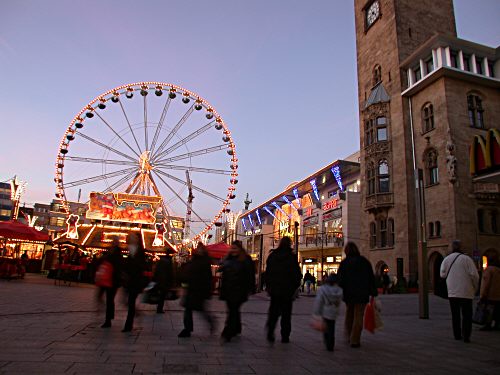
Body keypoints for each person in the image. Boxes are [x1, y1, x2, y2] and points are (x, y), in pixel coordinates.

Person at [337, 242, 377, 348]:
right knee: (358, 315)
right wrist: (373, 291)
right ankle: (355, 339)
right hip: (362, 293)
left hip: (349, 293)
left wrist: (339, 290)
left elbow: (340, 279)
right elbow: (371, 278)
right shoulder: (364, 262)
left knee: (349, 313)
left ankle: (349, 334)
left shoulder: (345, 263)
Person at [440, 240, 479, 343]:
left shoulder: (447, 259)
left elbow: (442, 275)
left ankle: (457, 334)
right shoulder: (467, 259)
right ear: (460, 247)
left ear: (452, 248)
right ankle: (466, 336)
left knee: (455, 314)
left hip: (452, 292)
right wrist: (475, 288)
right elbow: (474, 275)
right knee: (467, 315)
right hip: (466, 292)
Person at [265, 236, 302, 343]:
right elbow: (297, 274)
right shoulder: (291, 257)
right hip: (287, 291)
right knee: (286, 314)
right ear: (289, 244)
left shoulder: (273, 256)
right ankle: (285, 336)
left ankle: (270, 331)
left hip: (275, 290)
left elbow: (268, 273)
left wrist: (269, 286)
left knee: (273, 312)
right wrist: (294, 287)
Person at [218, 240, 255, 342]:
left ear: (240, 249)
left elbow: (250, 275)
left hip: (239, 290)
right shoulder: (228, 259)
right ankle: (236, 328)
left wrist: (250, 288)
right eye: (232, 248)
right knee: (233, 310)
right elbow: (222, 271)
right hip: (228, 289)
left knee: (232, 311)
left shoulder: (245, 260)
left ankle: (228, 331)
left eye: (235, 248)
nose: (233, 250)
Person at [178, 242, 215, 338]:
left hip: (200, 290)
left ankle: (211, 322)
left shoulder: (205, 261)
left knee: (201, 310)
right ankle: (187, 329)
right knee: (188, 309)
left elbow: (208, 277)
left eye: (200, 248)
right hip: (191, 289)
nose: (199, 250)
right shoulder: (193, 259)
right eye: (198, 248)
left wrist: (207, 291)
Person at [121, 233, 146, 332]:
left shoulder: (139, 251)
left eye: (133, 238)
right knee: (126, 302)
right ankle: (136, 313)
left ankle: (128, 325)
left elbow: (141, 265)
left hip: (135, 281)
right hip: (128, 281)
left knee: (130, 302)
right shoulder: (129, 249)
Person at [313, 273, 343, 351]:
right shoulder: (339, 290)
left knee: (326, 327)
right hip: (334, 311)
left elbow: (319, 301)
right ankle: (331, 343)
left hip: (325, 311)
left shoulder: (323, 289)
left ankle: (327, 341)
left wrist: (317, 312)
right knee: (332, 327)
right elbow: (339, 301)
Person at [99, 238, 123, 328]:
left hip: (111, 280)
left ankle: (108, 319)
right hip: (111, 280)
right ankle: (109, 317)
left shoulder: (113, 254)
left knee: (109, 299)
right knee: (110, 299)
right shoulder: (117, 254)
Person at [479, 254, 500, 331]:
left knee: (489, 311)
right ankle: (497, 324)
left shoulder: (489, 270)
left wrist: (483, 294)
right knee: (497, 310)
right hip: (498, 295)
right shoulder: (498, 269)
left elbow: (486, 283)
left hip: (490, 295)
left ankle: (488, 324)